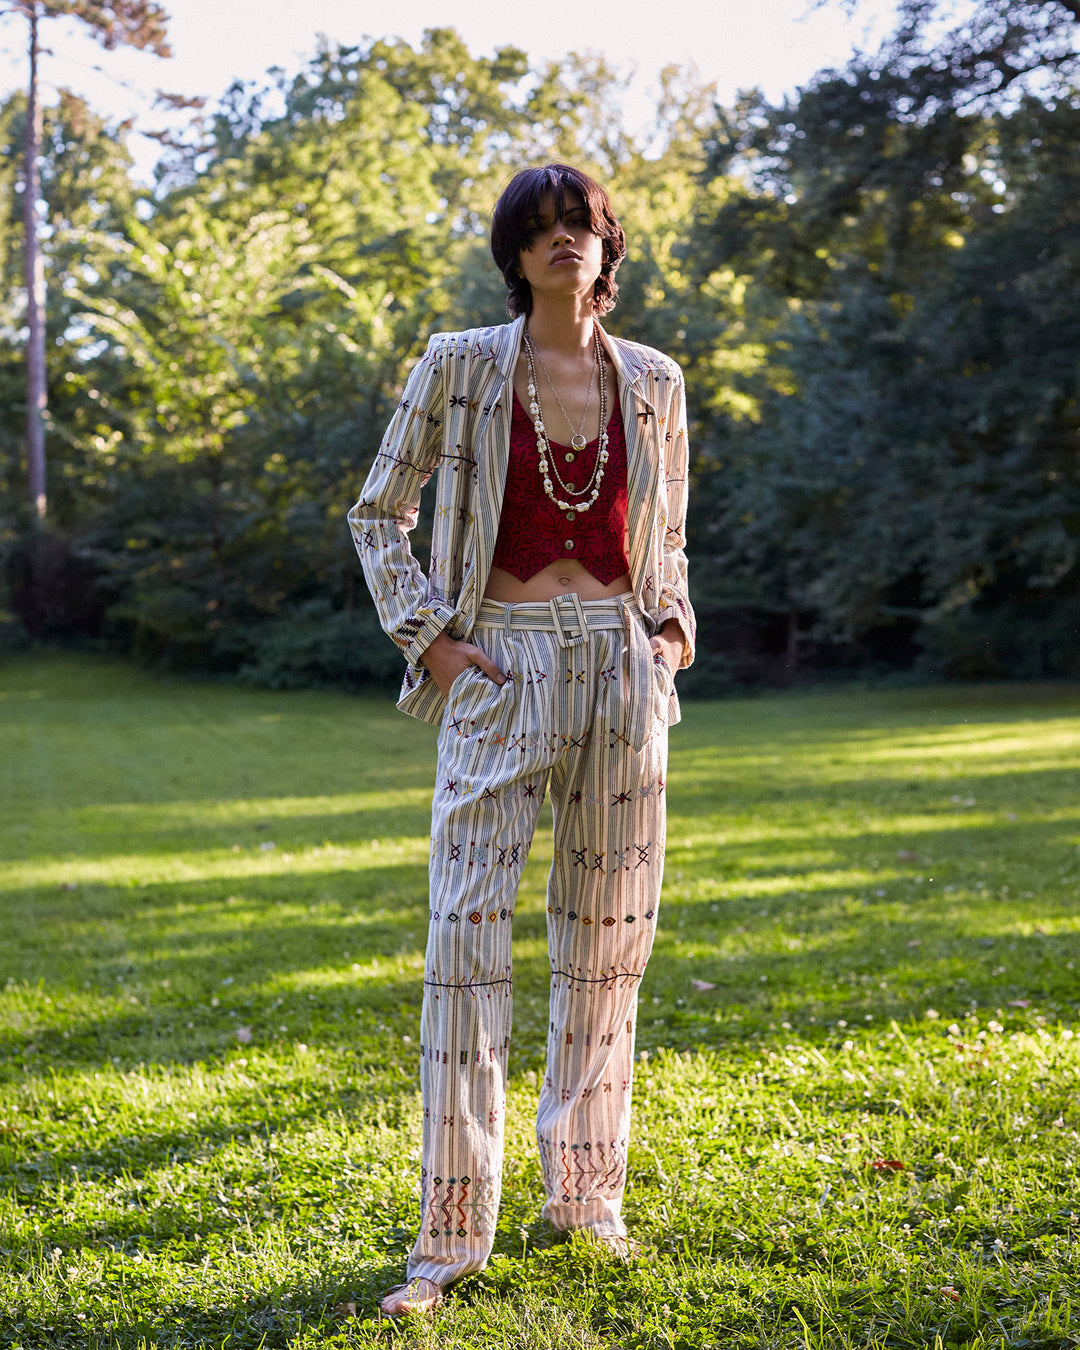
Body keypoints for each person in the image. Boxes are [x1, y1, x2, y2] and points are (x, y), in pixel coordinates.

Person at [347, 163, 695, 1316]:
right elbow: (377, 511)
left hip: (617, 663)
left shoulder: (654, 381)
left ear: (607, 246)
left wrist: (670, 634)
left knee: (609, 945)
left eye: (577, 226)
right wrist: (432, 640)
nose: (559, 243)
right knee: (465, 940)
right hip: (498, 658)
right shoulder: (458, 365)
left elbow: (669, 535)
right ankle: (448, 1239)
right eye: (538, 230)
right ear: (514, 253)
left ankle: (585, 1195)